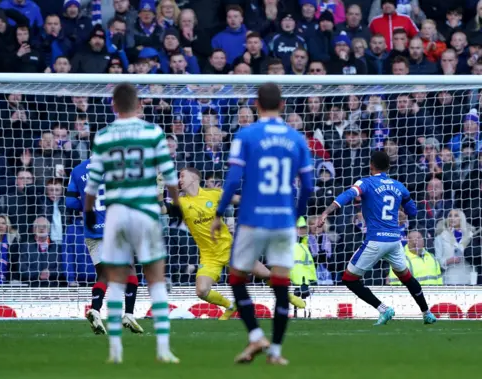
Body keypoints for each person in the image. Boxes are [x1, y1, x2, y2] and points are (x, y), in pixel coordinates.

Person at [210, 83, 314, 365]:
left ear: (256, 104)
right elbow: (308, 185)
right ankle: (276, 352)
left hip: (252, 219)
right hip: (282, 219)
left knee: (236, 277)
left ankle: (256, 335)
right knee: (280, 283)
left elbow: (232, 180)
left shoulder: (246, 135)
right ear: (282, 106)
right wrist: (296, 217)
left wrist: (219, 213)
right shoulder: (296, 138)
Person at [84, 83, 182, 364]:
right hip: (145, 212)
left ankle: (115, 351)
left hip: (116, 215)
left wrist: (89, 212)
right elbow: (169, 174)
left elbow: (92, 184)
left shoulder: (103, 136)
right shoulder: (153, 132)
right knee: (155, 278)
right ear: (138, 105)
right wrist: (175, 204)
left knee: (116, 280)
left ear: (114, 105)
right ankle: (163, 349)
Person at [163, 166, 305, 321]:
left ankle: (288, 296)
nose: (179, 180)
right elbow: (162, 209)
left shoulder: (214, 194)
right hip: (209, 256)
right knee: (201, 291)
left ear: (194, 178)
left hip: (231, 249)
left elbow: (239, 200)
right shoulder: (181, 202)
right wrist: (158, 190)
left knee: (265, 274)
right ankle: (230, 306)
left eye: (182, 176)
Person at [317, 151, 437, 326]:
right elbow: (412, 212)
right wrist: (401, 210)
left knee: (349, 279)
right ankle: (427, 313)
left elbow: (348, 195)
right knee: (406, 277)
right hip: (395, 241)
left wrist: (326, 212)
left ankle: (383, 309)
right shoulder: (399, 186)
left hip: (376, 240)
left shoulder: (366, 182)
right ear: (388, 167)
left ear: (371, 165)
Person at [65, 156, 144, 335]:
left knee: (104, 274)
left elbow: (69, 202)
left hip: (92, 230)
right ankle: (129, 314)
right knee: (130, 269)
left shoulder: (77, 170)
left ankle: (95, 310)